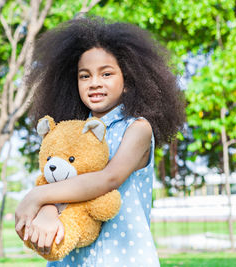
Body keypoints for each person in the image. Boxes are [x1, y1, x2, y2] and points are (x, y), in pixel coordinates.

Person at [15, 16, 185, 266]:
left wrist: (36, 196)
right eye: (85, 76)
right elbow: (57, 182)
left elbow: (108, 179)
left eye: (106, 73)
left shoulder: (137, 128)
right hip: (73, 257)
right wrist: (49, 211)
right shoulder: (69, 133)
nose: (95, 82)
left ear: (128, 82)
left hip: (122, 259)